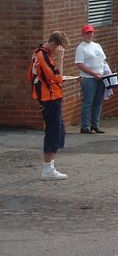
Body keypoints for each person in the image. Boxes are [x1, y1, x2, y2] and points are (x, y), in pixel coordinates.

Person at [28, 31, 70, 180]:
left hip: (51, 96)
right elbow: (57, 78)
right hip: (49, 98)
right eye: (58, 49)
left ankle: (50, 165)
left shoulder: (40, 53)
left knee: (59, 129)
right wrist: (60, 60)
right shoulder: (42, 55)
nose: (57, 52)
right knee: (53, 130)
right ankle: (47, 168)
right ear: (54, 45)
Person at [74, 24, 108, 134]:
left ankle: (95, 125)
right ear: (83, 34)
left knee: (98, 102)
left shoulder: (97, 45)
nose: (89, 35)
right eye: (87, 33)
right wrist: (93, 74)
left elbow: (103, 61)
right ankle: (85, 126)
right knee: (88, 102)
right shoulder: (81, 47)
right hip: (88, 79)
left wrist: (106, 72)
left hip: (100, 77)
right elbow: (80, 64)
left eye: (91, 33)